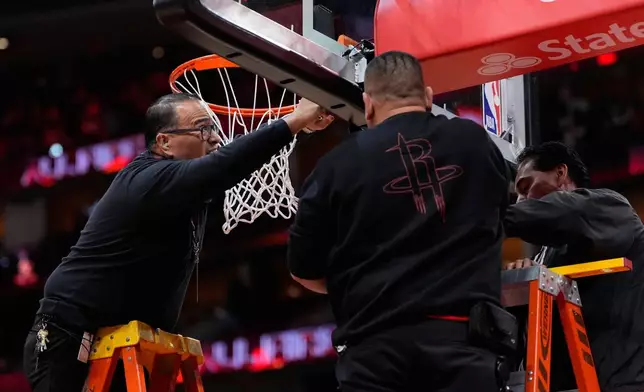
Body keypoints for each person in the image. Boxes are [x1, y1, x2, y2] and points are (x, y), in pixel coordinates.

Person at [23, 93, 334, 392]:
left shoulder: (186, 190)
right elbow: (224, 166)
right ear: (165, 142)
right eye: (202, 128)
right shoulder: (149, 179)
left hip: (122, 340)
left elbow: (237, 160)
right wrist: (292, 121)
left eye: (214, 128)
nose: (214, 138)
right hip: (70, 333)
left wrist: (301, 130)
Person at [287, 51, 513, 392]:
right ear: (427, 96)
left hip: (373, 352)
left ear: (368, 104)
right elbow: (500, 212)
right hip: (462, 342)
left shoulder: (335, 165)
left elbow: (303, 269)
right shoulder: (474, 142)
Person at [503, 141, 644, 392]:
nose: (522, 202)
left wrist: (480, 218)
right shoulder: (546, 255)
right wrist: (521, 285)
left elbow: (568, 211)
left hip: (620, 383)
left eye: (526, 188)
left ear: (560, 173)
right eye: (517, 196)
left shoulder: (611, 209)